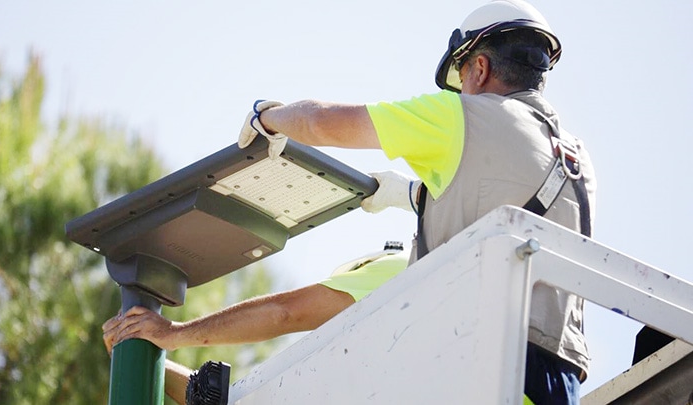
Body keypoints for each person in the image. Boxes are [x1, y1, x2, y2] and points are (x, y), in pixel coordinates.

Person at [236, 1, 596, 404]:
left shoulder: (460, 115)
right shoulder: (575, 158)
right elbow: (496, 201)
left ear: (479, 67)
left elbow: (322, 122)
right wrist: (406, 193)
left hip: (475, 366)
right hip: (554, 383)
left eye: (462, 78)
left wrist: (267, 117)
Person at [103, 242, 409, 404]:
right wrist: (139, 357)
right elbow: (229, 402)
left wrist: (174, 333)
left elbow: (284, 312)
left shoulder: (397, 268)